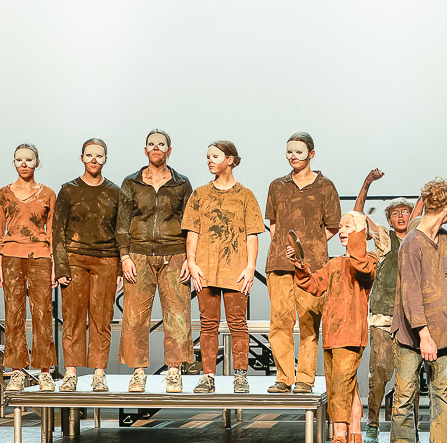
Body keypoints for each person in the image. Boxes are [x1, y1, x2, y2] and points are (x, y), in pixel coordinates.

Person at [376, 178, 447, 443]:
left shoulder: (445, 238)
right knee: (405, 392)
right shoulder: (412, 243)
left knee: (441, 392)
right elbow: (410, 294)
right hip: (413, 335)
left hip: (443, 331)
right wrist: (424, 335)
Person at [293, 211, 376, 443]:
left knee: (340, 389)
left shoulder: (368, 260)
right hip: (331, 335)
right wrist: (299, 265)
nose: (341, 230)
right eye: (340, 226)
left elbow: (361, 264)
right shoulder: (334, 263)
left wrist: (358, 233)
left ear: (360, 232)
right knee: (344, 390)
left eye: (347, 226)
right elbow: (315, 285)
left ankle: (339, 442)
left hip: (350, 335)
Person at [116, 130, 195, 394]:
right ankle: (138, 372)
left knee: (177, 315)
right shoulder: (132, 183)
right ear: (145, 150)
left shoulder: (181, 183)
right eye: (151, 144)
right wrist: (124, 256)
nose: (156, 148)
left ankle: (174, 371)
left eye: (161, 144)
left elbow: (192, 224)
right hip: (138, 254)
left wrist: (189, 258)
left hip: (175, 254)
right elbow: (122, 223)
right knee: (135, 316)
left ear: (169, 150)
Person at [262, 133, 342, 394]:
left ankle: (305, 379)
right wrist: (284, 247)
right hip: (279, 264)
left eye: (298, 152)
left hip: (313, 266)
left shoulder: (325, 186)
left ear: (311, 154)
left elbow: (332, 226)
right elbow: (273, 224)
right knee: (280, 323)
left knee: (309, 322)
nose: (292, 156)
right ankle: (284, 378)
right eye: (289, 152)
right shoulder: (277, 185)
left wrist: (308, 246)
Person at [182, 140, 262, 395]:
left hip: (235, 269)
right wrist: (192, 262)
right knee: (208, 323)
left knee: (238, 323)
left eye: (215, 156)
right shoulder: (200, 194)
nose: (210, 160)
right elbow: (192, 231)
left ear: (229, 159)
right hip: (206, 268)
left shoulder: (245, 195)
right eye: (208, 156)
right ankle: (208, 376)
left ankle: (240, 375)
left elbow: (252, 234)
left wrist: (250, 267)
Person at [53, 138, 122, 393]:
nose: (94, 160)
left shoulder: (115, 192)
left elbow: (120, 231)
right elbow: (57, 231)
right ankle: (70, 372)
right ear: (82, 157)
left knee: (102, 318)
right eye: (89, 155)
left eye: (99, 156)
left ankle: (99, 373)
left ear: (105, 158)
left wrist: (118, 268)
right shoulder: (69, 190)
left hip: (106, 260)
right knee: (72, 317)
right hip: (74, 259)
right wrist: (61, 267)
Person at [352, 168, 414, 443]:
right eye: (396, 213)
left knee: (408, 377)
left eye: (406, 212)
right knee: (379, 372)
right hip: (382, 317)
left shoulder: (418, 238)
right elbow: (356, 216)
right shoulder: (384, 238)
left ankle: (403, 433)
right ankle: (373, 423)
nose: (401, 216)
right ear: (389, 219)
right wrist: (366, 183)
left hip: (412, 318)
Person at [0, 144, 57, 392]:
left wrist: (54, 266)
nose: (24, 164)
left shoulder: (48, 194)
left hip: (41, 256)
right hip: (11, 257)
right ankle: (17, 371)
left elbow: (51, 232)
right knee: (14, 314)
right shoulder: (3, 194)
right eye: (19, 160)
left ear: (37, 163)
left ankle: (44, 371)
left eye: (29, 160)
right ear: (14, 163)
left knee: (42, 314)